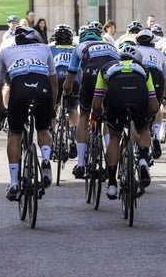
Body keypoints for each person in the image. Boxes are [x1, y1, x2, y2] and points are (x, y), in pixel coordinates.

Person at [0, 26, 58, 198]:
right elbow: (54, 83)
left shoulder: (5, 51)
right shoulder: (45, 48)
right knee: (43, 129)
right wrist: (52, 108)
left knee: (15, 133)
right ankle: (45, 159)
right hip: (42, 87)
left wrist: (1, 109)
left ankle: (14, 182)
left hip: (19, 89)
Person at [92, 47, 159, 199]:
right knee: (143, 129)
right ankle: (142, 159)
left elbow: (96, 105)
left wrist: (102, 115)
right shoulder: (144, 70)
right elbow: (154, 106)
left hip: (117, 99)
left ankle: (111, 185)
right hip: (139, 97)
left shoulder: (107, 68)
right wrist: (148, 118)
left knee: (115, 136)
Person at [64, 22, 119, 179]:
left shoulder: (80, 48)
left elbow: (70, 79)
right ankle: (111, 160)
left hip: (90, 74)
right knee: (108, 118)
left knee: (84, 115)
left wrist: (67, 93)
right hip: (111, 75)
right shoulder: (111, 47)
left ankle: (81, 163)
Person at [133, 29, 166, 159]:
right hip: (157, 77)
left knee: (136, 115)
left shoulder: (132, 49)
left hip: (138, 76)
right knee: (156, 108)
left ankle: (132, 148)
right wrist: (165, 97)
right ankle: (156, 134)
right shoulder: (159, 54)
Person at [49, 24, 77, 159]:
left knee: (52, 109)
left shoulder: (50, 48)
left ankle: (52, 136)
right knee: (72, 109)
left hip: (56, 80)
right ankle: (73, 134)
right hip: (73, 80)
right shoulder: (76, 48)